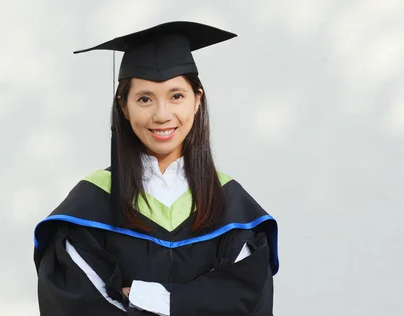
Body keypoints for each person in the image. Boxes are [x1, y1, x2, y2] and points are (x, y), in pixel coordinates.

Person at [33, 21, 279, 315]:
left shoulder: (232, 206)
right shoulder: (90, 206)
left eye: (176, 96)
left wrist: (143, 295)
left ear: (197, 100)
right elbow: (76, 303)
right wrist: (195, 300)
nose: (162, 115)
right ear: (123, 107)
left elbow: (245, 300)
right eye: (145, 99)